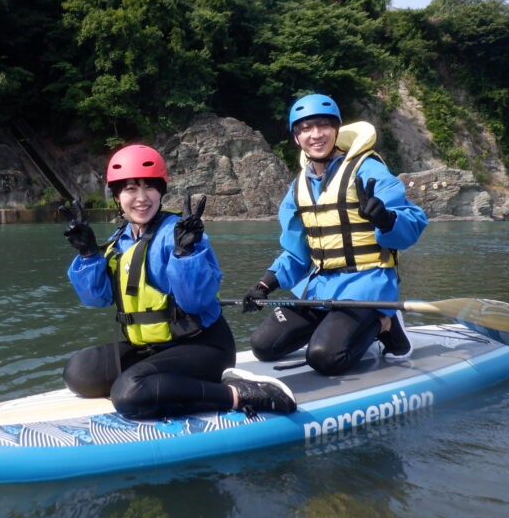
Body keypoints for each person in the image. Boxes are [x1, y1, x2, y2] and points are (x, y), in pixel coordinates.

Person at [61, 144, 296, 419]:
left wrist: (186, 254)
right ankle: (159, 383)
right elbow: (96, 299)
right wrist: (89, 255)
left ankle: (239, 394)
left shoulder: (182, 233)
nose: (141, 198)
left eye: (149, 187)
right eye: (130, 189)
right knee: (78, 373)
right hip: (151, 348)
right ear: (116, 197)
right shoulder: (120, 240)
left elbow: (194, 302)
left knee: (127, 393)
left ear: (161, 191)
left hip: (204, 347)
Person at [243, 94, 428, 375]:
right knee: (263, 346)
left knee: (325, 358)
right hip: (319, 288)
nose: (315, 135)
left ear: (336, 130)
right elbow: (296, 251)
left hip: (367, 285)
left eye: (323, 126)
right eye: (305, 129)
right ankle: (337, 326)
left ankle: (385, 323)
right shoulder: (298, 187)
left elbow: (414, 223)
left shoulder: (368, 169)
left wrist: (387, 219)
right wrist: (266, 284)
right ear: (296, 138)